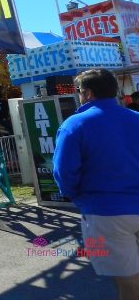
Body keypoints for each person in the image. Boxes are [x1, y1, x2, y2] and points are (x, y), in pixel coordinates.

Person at [53, 69, 139, 300]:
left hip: (105, 212)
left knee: (128, 280)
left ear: (88, 93)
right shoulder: (136, 118)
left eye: (79, 91)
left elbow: (63, 171)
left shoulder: (75, 124)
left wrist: (76, 197)